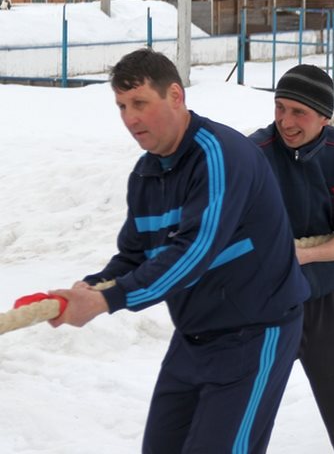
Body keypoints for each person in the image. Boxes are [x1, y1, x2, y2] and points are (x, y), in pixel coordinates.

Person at [49, 48, 309, 453]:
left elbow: (193, 254)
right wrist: (87, 288)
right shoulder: (146, 174)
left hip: (255, 337)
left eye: (139, 103)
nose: (129, 118)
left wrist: (106, 301)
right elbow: (135, 257)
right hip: (193, 338)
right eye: (121, 106)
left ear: (175, 96)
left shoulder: (220, 155)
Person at [249, 64, 334, 454]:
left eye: (298, 112)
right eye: (279, 108)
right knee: (242, 410)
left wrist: (304, 254)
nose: (285, 121)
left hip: (328, 300)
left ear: (325, 116)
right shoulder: (253, 154)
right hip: (265, 303)